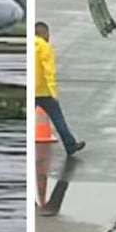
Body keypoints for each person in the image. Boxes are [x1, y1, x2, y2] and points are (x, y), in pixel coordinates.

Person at [35, 21, 86, 156]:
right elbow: (49, 72)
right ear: (44, 33)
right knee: (58, 120)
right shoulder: (44, 47)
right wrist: (53, 92)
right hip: (44, 92)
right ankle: (70, 146)